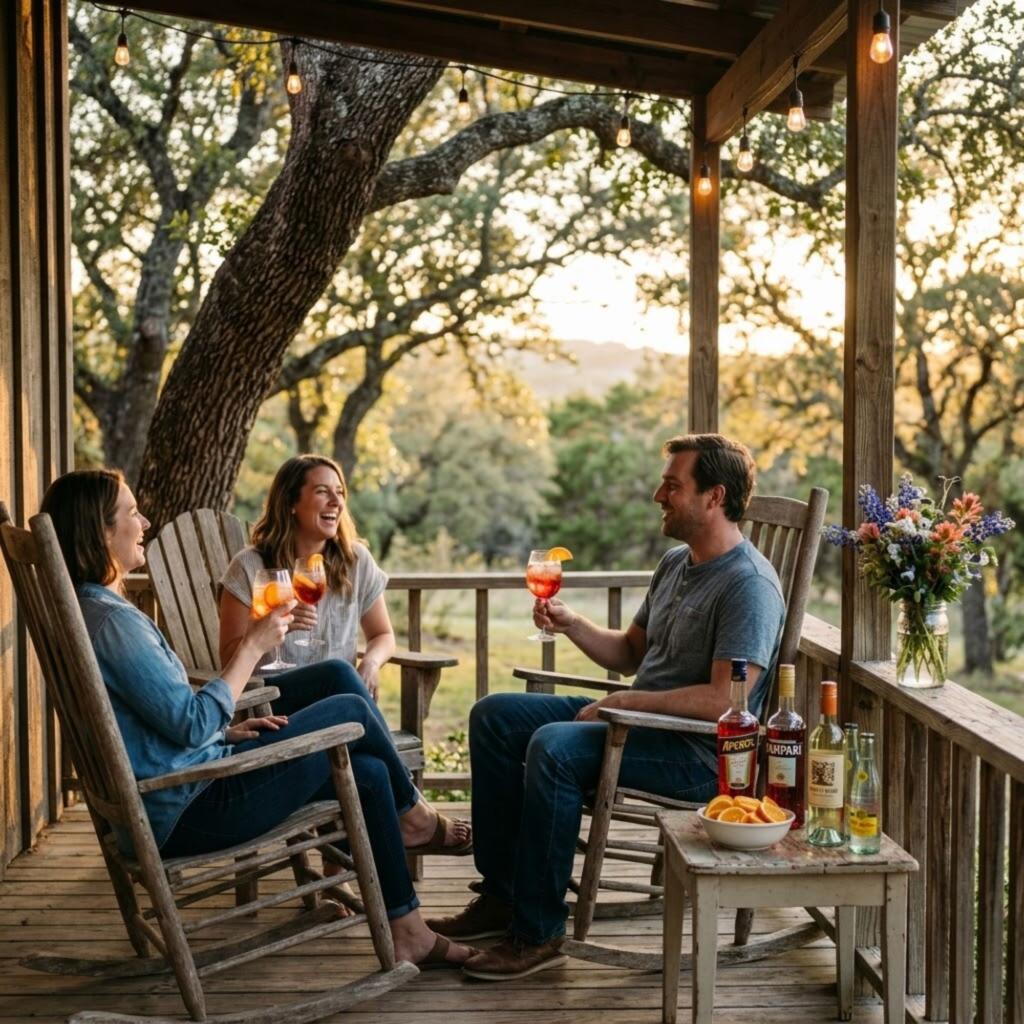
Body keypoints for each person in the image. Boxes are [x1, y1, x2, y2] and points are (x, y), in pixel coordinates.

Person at [39, 469, 477, 969]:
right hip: (193, 804)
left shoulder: (95, 613)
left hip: (185, 779)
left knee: (346, 703)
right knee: (351, 709)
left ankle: (409, 930)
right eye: (132, 512)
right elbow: (189, 722)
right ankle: (416, 819)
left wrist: (227, 729)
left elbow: (153, 725)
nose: (145, 521)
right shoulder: (116, 624)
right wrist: (253, 643)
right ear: (100, 531)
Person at [428, 434, 787, 981]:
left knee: (554, 747)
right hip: (638, 726)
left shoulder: (748, 585)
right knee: (494, 716)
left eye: (672, 484)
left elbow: (722, 701)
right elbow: (629, 653)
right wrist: (573, 625)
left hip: (697, 756)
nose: (657, 494)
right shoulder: (676, 563)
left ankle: (538, 932)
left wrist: (622, 701)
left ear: (714, 497)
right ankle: (503, 896)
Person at [218, 453, 471, 854]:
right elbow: (228, 657)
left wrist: (371, 661)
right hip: (269, 708)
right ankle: (416, 814)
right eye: (322, 492)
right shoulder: (251, 567)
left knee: (345, 692)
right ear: (290, 502)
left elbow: (384, 634)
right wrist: (265, 628)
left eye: (340, 493)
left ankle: (343, 877)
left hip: (342, 705)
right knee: (337, 673)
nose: (336, 502)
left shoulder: (354, 561)